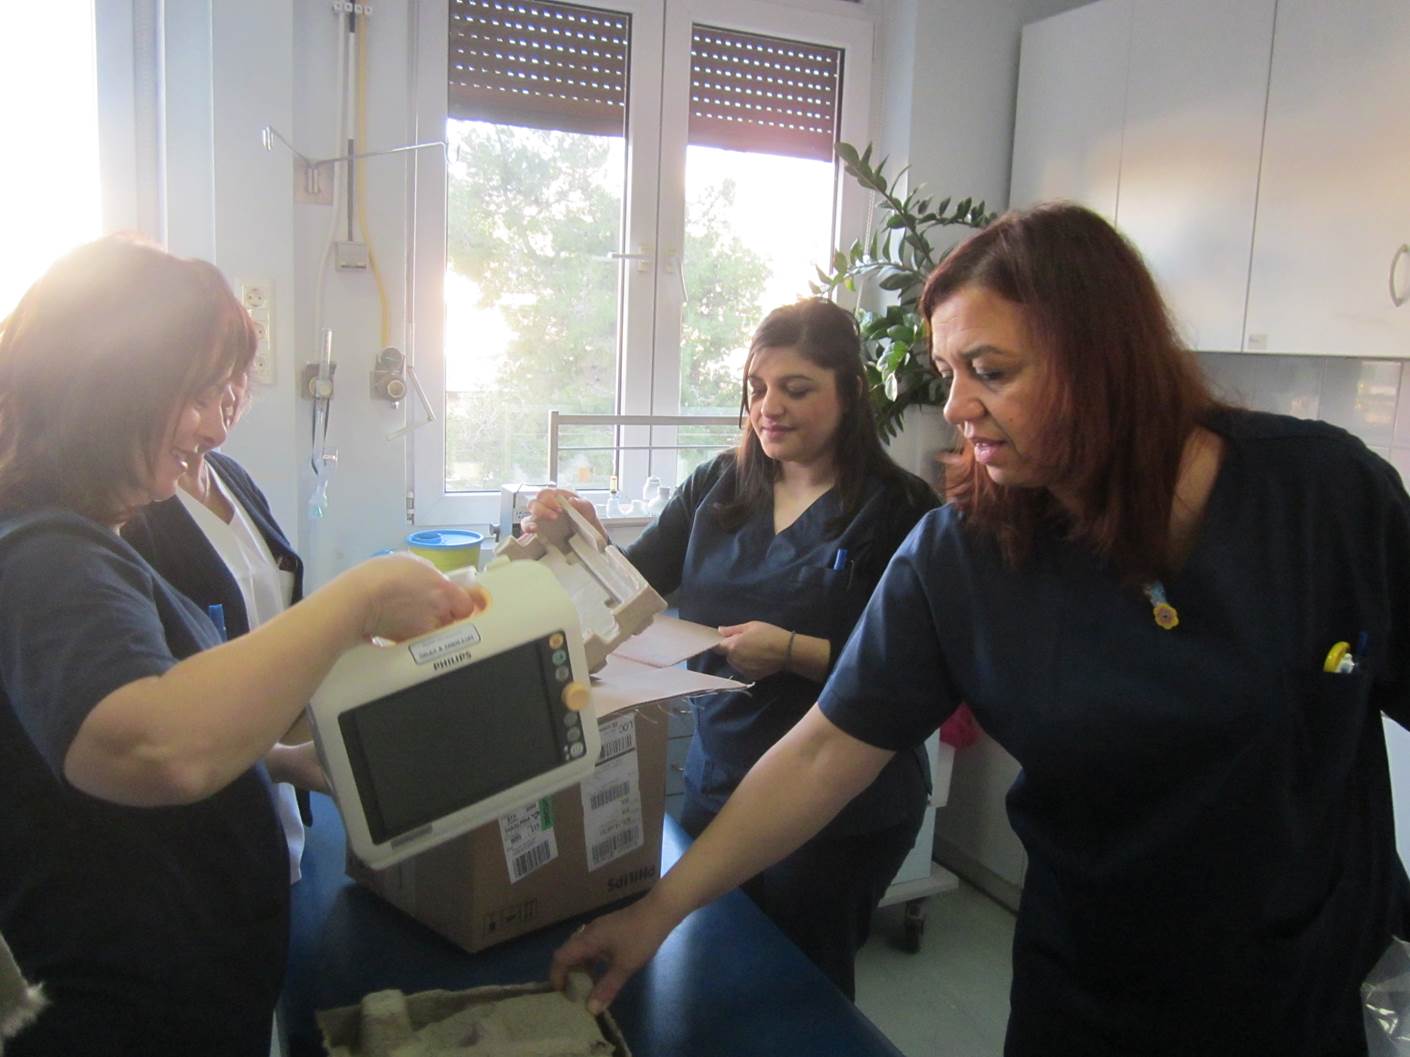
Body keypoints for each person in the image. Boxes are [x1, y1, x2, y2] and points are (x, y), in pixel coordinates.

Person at [551, 204, 1410, 1057]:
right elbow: (823, 751)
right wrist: (656, 914)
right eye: (947, 370)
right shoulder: (963, 555)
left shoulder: (1324, 497)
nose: (958, 405)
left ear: (1104, 358)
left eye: (990, 371)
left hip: (1309, 997)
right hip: (1091, 993)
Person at [0, 235, 481, 1057]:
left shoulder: (94, 539)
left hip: (188, 984)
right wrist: (359, 598)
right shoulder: (48, 555)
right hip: (117, 1012)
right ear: (105, 388)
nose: (210, 424)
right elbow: (152, 745)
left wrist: (281, 760)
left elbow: (171, 701)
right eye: (192, 395)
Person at [531, 297, 938, 999]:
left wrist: (795, 651)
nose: (768, 407)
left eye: (796, 389)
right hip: (718, 780)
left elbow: (912, 677)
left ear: (850, 392)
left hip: (841, 809)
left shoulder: (901, 510)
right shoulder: (718, 486)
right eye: (757, 388)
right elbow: (631, 588)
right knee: (704, 968)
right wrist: (582, 540)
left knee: (794, 990)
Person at [123, 371, 315, 884]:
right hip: (203, 824)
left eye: (230, 394)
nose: (218, 426)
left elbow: (275, 623)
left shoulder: (232, 477)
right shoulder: (134, 515)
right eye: (202, 397)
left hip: (276, 800)